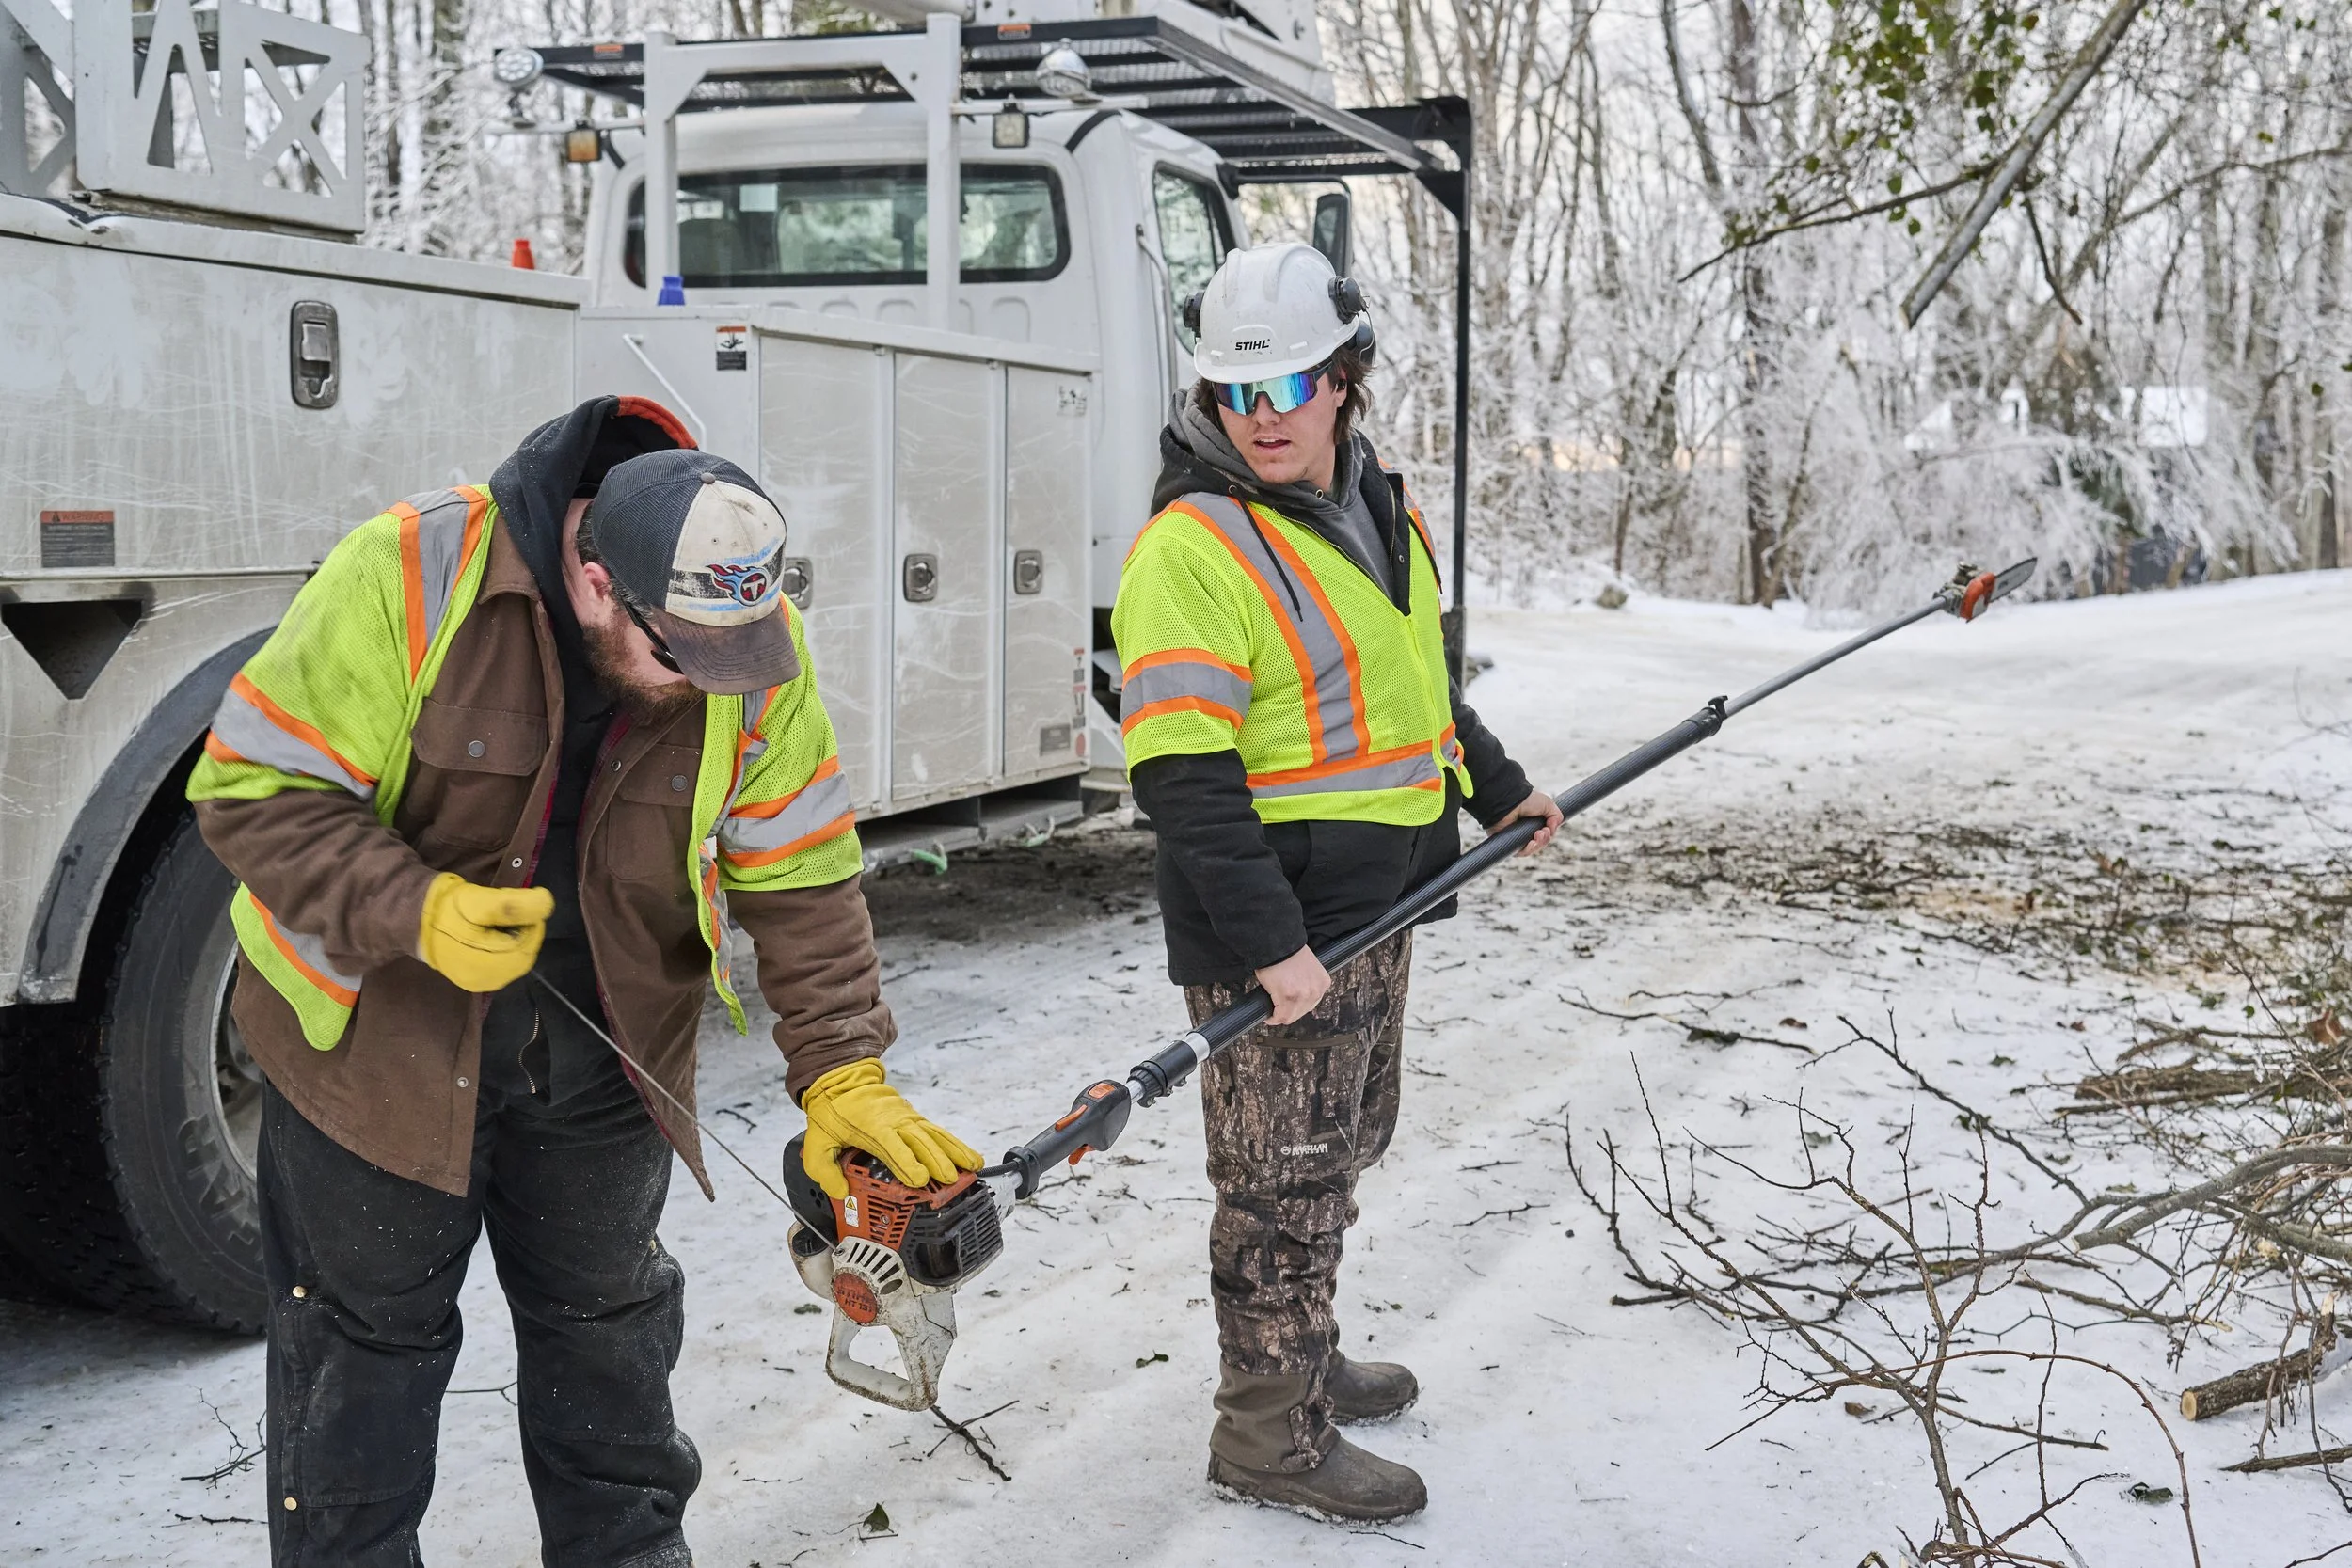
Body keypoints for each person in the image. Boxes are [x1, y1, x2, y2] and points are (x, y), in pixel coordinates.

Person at [188, 396, 981, 1567]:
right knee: (365, 1361)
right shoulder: (407, 573)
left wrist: (841, 1067)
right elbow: (250, 792)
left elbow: (800, 863)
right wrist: (414, 908)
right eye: (685, 656)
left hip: (608, 1040)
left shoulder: (746, 639)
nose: (713, 684)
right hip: (377, 1043)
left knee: (610, 1340)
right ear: (600, 581)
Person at [1112, 244, 1563, 1522]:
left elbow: (1418, 685)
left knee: (1345, 1143)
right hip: (1282, 929)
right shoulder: (1190, 548)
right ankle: (1267, 1429)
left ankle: (1301, 1353)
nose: (1262, 415)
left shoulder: (1379, 503)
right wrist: (1268, 943)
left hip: (1381, 901)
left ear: (1346, 377)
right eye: (1237, 391)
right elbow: (1183, 775)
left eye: (1290, 384)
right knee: (1279, 1185)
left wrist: (1497, 783)